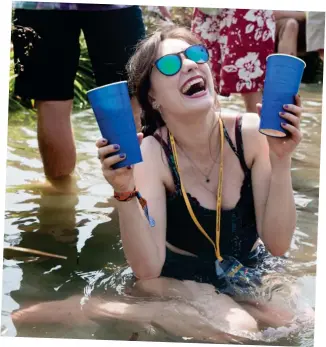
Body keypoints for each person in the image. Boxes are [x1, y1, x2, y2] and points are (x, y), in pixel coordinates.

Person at [11, 26, 314, 342]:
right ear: (152, 97)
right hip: (176, 276)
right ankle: (109, 308)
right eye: (170, 64)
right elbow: (148, 270)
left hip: (244, 266)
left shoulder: (249, 135)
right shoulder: (152, 155)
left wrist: (281, 161)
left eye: (196, 55)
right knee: (238, 331)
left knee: (299, 322)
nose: (189, 65)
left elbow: (277, 244)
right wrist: (123, 190)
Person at [11, 2, 145, 180]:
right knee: (127, 97)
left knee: (51, 101)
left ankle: (61, 196)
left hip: (42, 7)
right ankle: (133, 192)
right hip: (115, 8)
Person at [191, 9, 275, 113]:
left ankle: (260, 128)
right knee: (203, 77)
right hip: (208, 12)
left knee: (250, 81)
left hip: (247, 12)